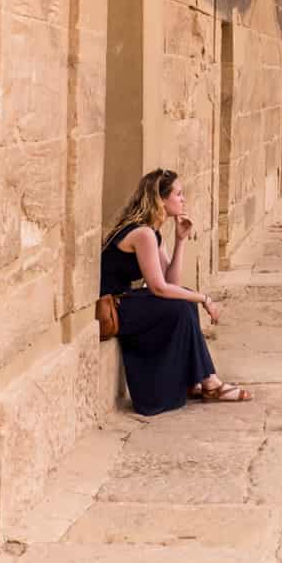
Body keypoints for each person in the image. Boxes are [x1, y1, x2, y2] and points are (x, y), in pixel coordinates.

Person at [101, 167, 253, 414]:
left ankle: (200, 379)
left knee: (184, 299)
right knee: (182, 304)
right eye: (179, 194)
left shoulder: (152, 232)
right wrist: (204, 298)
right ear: (161, 200)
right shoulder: (142, 234)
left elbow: (170, 281)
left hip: (126, 300)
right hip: (114, 307)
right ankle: (210, 383)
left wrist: (181, 240)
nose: (183, 200)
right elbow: (159, 288)